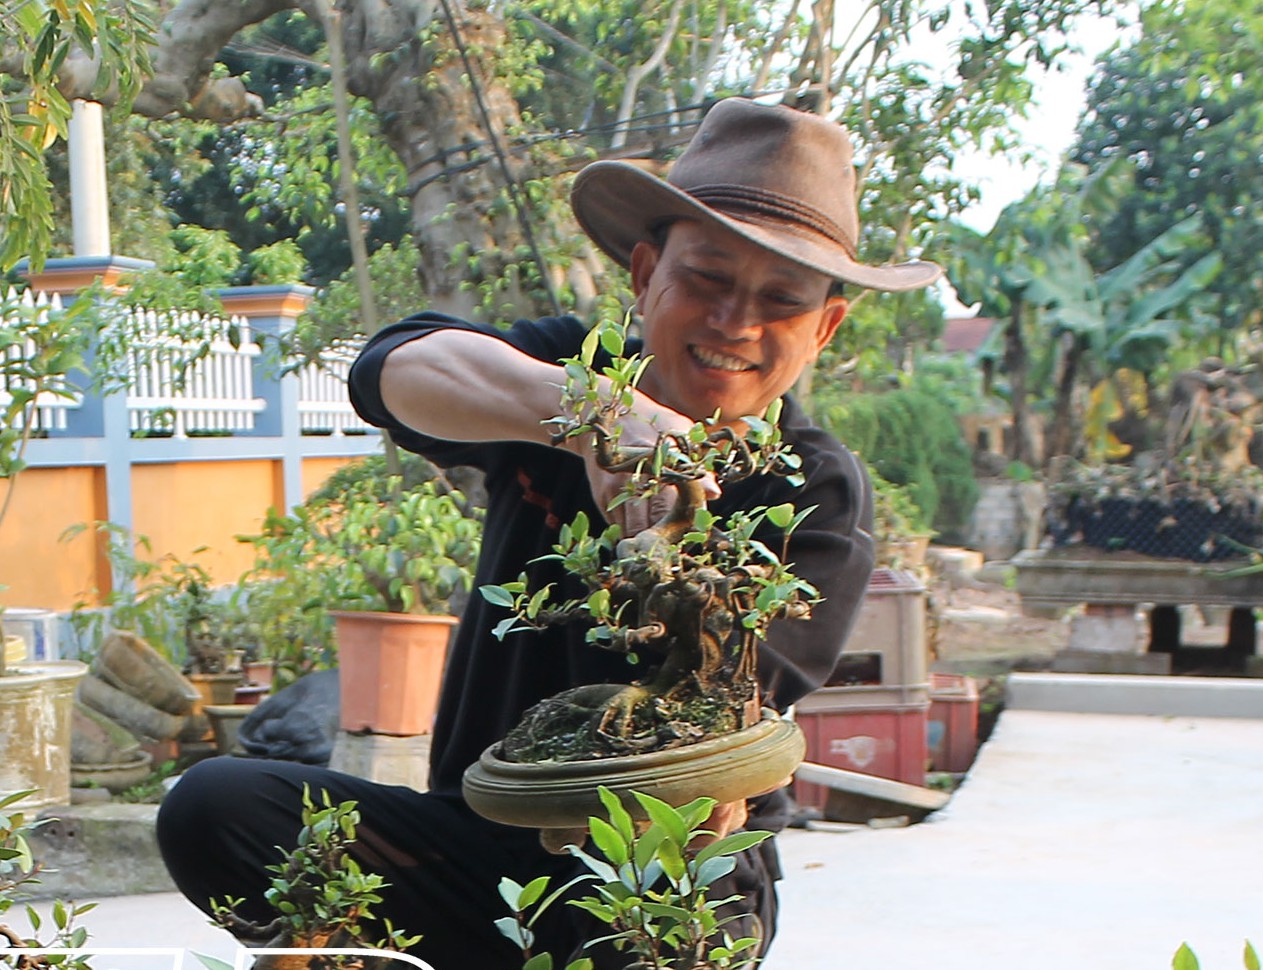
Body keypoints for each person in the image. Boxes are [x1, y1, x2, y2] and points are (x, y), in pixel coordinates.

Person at [157, 97, 942, 968]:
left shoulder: (814, 491)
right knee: (216, 804)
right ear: (645, 275)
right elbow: (390, 370)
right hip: (471, 836)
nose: (735, 323)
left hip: (669, 857)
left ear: (824, 328)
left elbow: (739, 703)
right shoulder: (565, 377)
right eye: (708, 278)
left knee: (644, 907)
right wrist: (588, 416)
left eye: (780, 300)